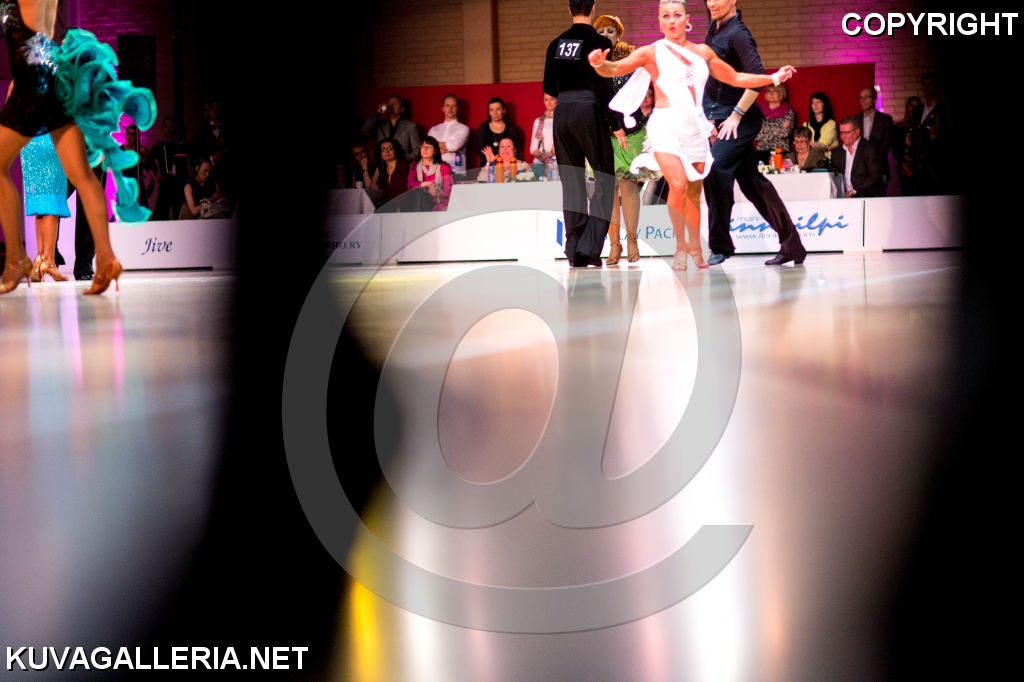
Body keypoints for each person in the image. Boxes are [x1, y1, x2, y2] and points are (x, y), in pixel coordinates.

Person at [592, 0, 796, 270]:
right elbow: (615, 69)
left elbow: (736, 77)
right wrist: (599, 64)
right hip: (666, 125)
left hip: (699, 127)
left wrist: (773, 79)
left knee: (699, 190)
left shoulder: (709, 47)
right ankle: (687, 247)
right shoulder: (653, 51)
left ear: (687, 19)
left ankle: (699, 247)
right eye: (666, 16)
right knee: (678, 183)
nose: (672, 20)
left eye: (677, 15)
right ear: (660, 21)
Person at [1, 0, 154, 295]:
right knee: (82, 175)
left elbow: (28, 37)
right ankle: (107, 259)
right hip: (51, 81)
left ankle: (16, 259)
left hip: (32, 84)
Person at [699, 0, 806, 266]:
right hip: (722, 117)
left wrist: (736, 115)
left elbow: (757, 77)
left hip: (741, 120)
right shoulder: (715, 25)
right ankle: (793, 245)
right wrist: (709, 115)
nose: (711, 3)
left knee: (714, 167)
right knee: (752, 183)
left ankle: (720, 245)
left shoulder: (738, 33)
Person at [543, 0, 620, 268]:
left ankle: (575, 248)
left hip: (562, 112)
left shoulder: (555, 44)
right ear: (593, 7)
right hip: (588, 109)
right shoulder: (601, 43)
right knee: (604, 178)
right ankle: (588, 248)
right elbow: (605, 86)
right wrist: (616, 123)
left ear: (569, 9)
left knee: (572, 182)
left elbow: (549, 87)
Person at [594, 13, 647, 265]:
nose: (605, 35)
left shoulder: (630, 58)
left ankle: (632, 240)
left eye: (610, 31)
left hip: (631, 130)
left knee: (628, 184)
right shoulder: (592, 60)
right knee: (609, 189)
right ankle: (613, 245)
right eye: (601, 31)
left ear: (619, 35)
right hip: (603, 130)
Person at [20, 135, 70, 281]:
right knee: (52, 200)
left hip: (29, 143)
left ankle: (40, 259)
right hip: (51, 141)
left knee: (41, 200)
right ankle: (49, 262)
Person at [145, 116, 190, 221]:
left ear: (175, 128)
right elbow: (147, 162)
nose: (168, 129)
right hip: (165, 183)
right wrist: (155, 177)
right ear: (163, 128)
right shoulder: (158, 146)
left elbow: (193, 157)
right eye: (166, 126)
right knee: (160, 215)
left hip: (180, 183)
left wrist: (190, 174)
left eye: (171, 126)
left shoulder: (181, 144)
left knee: (180, 213)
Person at [830, 117, 886, 198]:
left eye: (847, 133)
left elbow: (874, 176)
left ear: (857, 132)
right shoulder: (837, 152)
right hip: (843, 194)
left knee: (862, 194)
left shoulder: (870, 149)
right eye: (841, 133)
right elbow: (835, 176)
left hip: (866, 192)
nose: (843, 136)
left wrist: (853, 191)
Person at [360, 94, 421, 161]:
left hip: (402, 164)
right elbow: (364, 131)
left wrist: (404, 160)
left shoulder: (410, 126)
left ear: (401, 109)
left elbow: (416, 150)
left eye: (395, 103)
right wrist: (378, 113)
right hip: (383, 164)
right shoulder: (380, 126)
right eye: (389, 103)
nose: (391, 105)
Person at [404, 136, 453, 211]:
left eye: (429, 147)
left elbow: (450, 190)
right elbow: (410, 185)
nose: (425, 149)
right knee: (418, 195)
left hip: (439, 201)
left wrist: (438, 193)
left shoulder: (444, 166)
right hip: (421, 200)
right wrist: (426, 184)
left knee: (446, 209)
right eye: (422, 146)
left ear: (435, 151)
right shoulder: (414, 166)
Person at [427, 94, 470, 179]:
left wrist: (435, 146)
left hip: (456, 172)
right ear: (443, 108)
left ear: (458, 109)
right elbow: (429, 149)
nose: (450, 108)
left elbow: (454, 146)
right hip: (435, 171)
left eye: (453, 106)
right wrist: (450, 150)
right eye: (447, 105)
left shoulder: (464, 129)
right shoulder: (434, 130)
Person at [474, 97, 524, 168]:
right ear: (489, 112)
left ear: (504, 111)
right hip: (487, 168)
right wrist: (490, 162)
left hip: (508, 168)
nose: (495, 113)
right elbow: (479, 151)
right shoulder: (483, 128)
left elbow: (517, 150)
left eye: (498, 109)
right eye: (491, 110)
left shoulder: (511, 129)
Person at [754, 83, 795, 164]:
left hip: (781, 152)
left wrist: (763, 130)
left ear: (781, 93)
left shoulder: (789, 113)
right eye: (769, 91)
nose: (771, 94)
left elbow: (785, 132)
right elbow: (755, 134)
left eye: (775, 91)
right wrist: (778, 128)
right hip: (761, 152)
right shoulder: (758, 113)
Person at [373, 139, 410, 209]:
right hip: (390, 207)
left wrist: (398, 208)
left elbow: (405, 191)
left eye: (390, 148)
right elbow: (374, 186)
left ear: (396, 151)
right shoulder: (382, 169)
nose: (387, 151)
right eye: (383, 149)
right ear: (380, 154)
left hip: (404, 207)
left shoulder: (402, 165)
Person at [529, 93, 557, 177]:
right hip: (539, 164)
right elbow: (533, 148)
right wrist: (542, 157)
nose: (549, 102)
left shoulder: (562, 120)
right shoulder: (539, 121)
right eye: (546, 99)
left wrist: (548, 155)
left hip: (556, 164)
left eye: (552, 99)